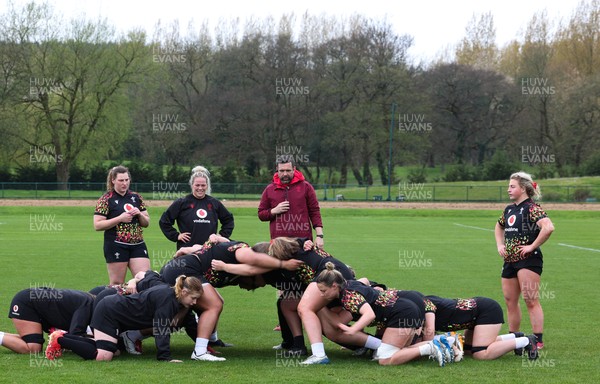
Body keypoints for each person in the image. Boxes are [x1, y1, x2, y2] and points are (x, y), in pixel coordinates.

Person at [160, 235, 302, 362]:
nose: (250, 288)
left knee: (180, 317)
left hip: (181, 269)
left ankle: (137, 335)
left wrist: (189, 249)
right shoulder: (243, 250)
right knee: (214, 305)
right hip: (184, 270)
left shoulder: (236, 267)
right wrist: (282, 264)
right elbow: (252, 263)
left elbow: (208, 248)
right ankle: (200, 352)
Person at [46, 275, 202, 362]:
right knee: (103, 356)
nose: (195, 303)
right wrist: (165, 357)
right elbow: (162, 329)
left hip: (114, 311)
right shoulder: (168, 300)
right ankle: (60, 338)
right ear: (183, 292)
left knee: (115, 352)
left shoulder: (171, 295)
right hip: (110, 311)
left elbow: (147, 276)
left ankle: (65, 336)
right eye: (193, 298)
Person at [304, 262, 425, 365]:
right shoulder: (349, 284)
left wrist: (353, 330)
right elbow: (366, 282)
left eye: (323, 291)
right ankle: (439, 341)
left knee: (384, 359)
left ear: (334, 286)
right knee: (401, 350)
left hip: (402, 313)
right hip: (405, 309)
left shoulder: (348, 296)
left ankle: (432, 348)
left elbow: (369, 314)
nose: (321, 294)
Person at [495, 171, 554, 351]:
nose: (508, 190)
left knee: (530, 299)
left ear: (523, 188)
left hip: (529, 261)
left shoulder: (532, 208)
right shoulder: (509, 209)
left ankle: (537, 340)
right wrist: (500, 245)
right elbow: (498, 226)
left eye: (512, 186)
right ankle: (516, 340)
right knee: (510, 300)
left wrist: (531, 246)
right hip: (510, 261)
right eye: (509, 186)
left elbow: (548, 227)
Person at [94, 165, 151, 285]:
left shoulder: (136, 197)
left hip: (138, 244)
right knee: (117, 284)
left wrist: (140, 214)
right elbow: (97, 225)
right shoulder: (105, 200)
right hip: (116, 245)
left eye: (126, 180)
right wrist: (120, 218)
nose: (124, 183)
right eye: (121, 180)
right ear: (113, 180)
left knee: (145, 280)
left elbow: (146, 223)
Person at [159, 166, 234, 250]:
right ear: (192, 185)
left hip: (209, 250)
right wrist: (176, 236)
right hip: (187, 250)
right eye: (197, 185)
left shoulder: (214, 203)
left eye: (203, 185)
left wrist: (221, 236)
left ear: (207, 185)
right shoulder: (182, 202)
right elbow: (164, 221)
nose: (200, 188)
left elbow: (228, 220)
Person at [0, 288, 94, 354]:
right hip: (27, 303)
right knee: (33, 349)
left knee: (32, 342)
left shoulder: (88, 301)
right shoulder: (87, 304)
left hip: (30, 299)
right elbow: (75, 335)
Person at [258, 159, 324, 247]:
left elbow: (314, 211)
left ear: (294, 169)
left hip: (304, 243)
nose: (285, 174)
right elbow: (261, 214)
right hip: (279, 244)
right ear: (277, 169)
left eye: (288, 170)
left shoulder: (306, 187)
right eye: (282, 171)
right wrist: (273, 211)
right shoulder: (269, 189)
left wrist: (319, 236)